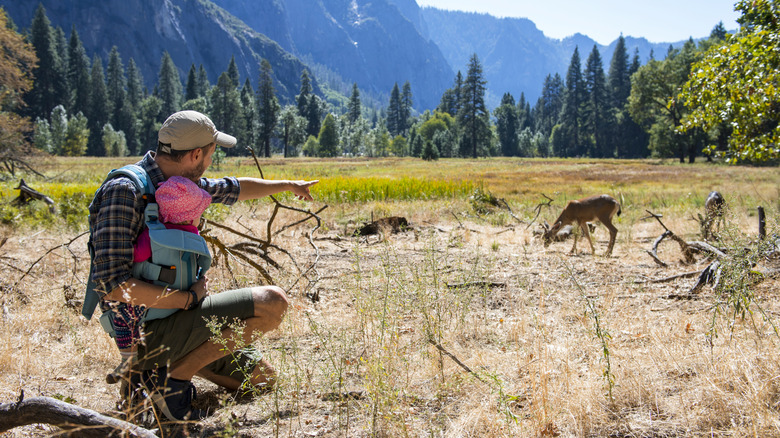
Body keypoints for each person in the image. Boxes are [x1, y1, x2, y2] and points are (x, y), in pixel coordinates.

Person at [88, 110, 318, 421]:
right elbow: (113, 286)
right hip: (142, 331)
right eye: (210, 154)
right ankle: (171, 380)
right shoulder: (125, 191)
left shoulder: (181, 186)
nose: (210, 162)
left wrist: (289, 185)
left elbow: (234, 188)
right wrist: (188, 299)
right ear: (196, 154)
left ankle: (164, 375)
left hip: (182, 317)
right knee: (271, 303)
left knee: (262, 377)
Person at [108, 176, 213, 380]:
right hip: (189, 297)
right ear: (191, 217)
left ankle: (128, 358)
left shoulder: (154, 234)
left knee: (122, 317)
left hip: (154, 304)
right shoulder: (195, 236)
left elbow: (136, 257)